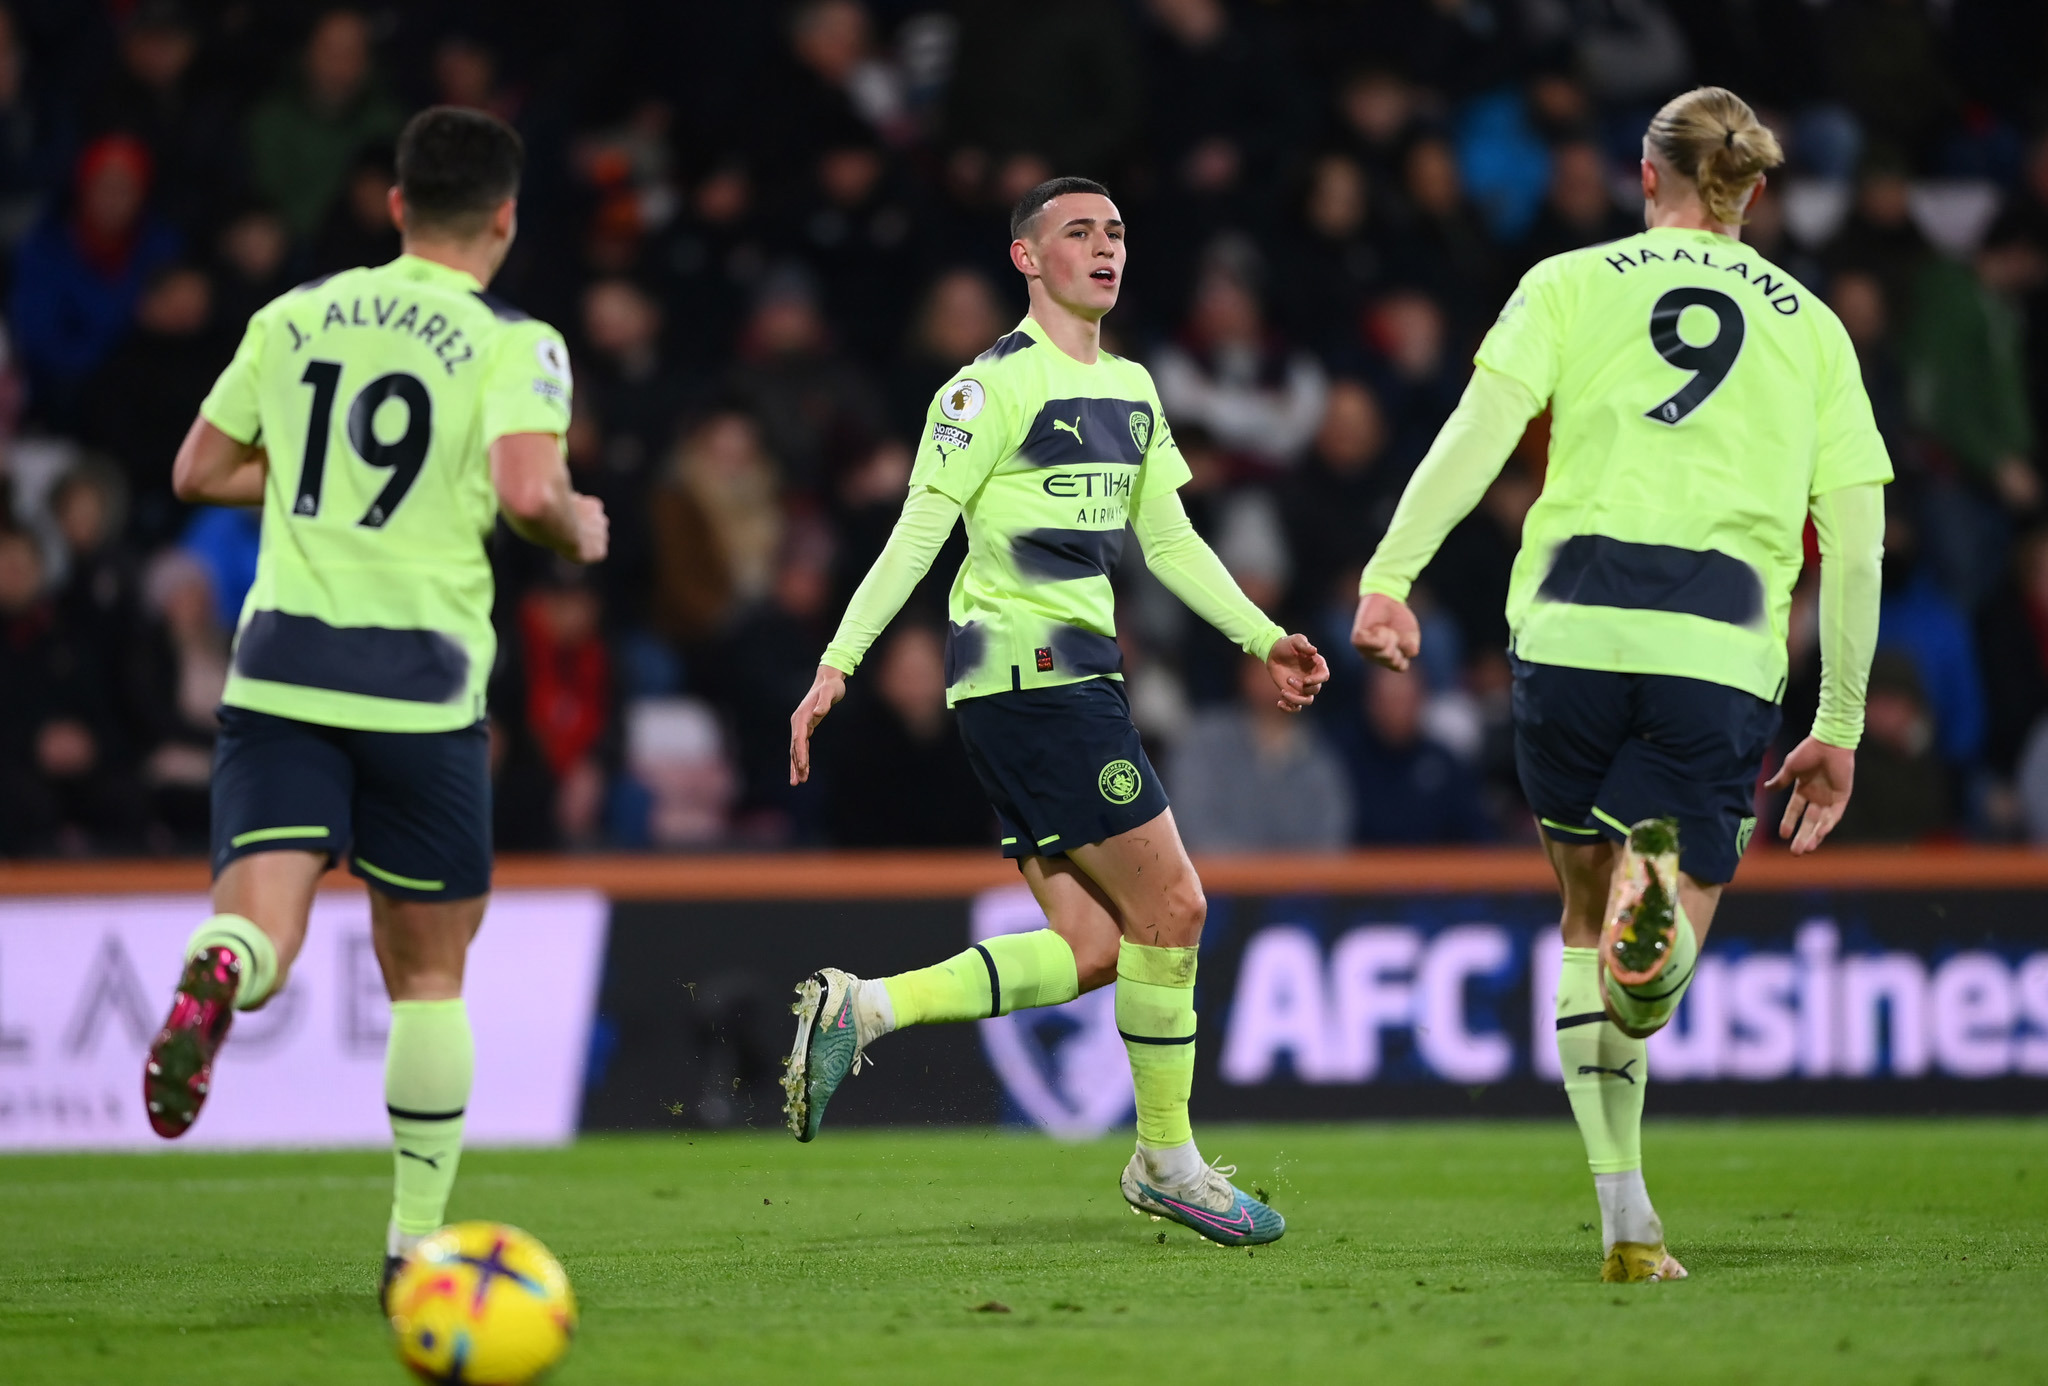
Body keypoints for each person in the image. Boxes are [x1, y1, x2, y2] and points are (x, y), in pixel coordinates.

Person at [1351, 88, 1889, 1283]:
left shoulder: (1566, 281)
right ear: (1749, 191)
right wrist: (1837, 720)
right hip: (1713, 648)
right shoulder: (1811, 329)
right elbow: (1851, 546)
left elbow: (1474, 430)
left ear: (1643, 178)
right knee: (1644, 950)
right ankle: (1653, 969)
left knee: (1580, 921)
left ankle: (1625, 1220)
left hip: (1562, 637)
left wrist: (1390, 576)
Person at [782, 177, 1328, 1246]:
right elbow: (916, 529)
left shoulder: (1130, 387)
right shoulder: (988, 389)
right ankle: (1165, 1162)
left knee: (1091, 946)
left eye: (1116, 231)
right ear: (1026, 259)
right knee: (1174, 909)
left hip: (1056, 688)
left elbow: (1166, 543)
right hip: (1034, 680)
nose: (1103, 247)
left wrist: (1262, 637)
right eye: (1077, 232)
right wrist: (838, 662)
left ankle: (865, 1008)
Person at [138, 107, 607, 1303]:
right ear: (504, 216)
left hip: (281, 671)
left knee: (266, 926)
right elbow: (522, 488)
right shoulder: (517, 342)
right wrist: (574, 521)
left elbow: (195, 470)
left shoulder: (292, 317)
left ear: (394, 205)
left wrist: (307, 490)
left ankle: (218, 971)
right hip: (420, 689)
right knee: (430, 974)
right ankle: (413, 1244)